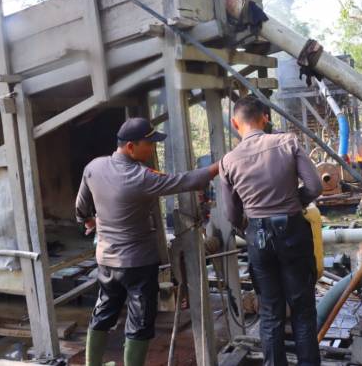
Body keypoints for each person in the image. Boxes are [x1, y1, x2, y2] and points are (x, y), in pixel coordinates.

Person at [75, 117, 219, 366]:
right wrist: (220, 165)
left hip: (106, 260)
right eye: (149, 144)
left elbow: (80, 209)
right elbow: (186, 180)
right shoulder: (141, 177)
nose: (152, 148)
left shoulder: (93, 167)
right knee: (139, 321)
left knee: (104, 310)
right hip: (138, 264)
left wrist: (90, 221)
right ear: (131, 146)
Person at [218, 96, 323, 366]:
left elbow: (231, 214)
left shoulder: (228, 161)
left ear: (235, 123)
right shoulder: (288, 142)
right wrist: (295, 202)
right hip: (293, 233)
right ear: (265, 118)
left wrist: (251, 225)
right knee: (302, 311)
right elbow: (315, 186)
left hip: (258, 238)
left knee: (270, 312)